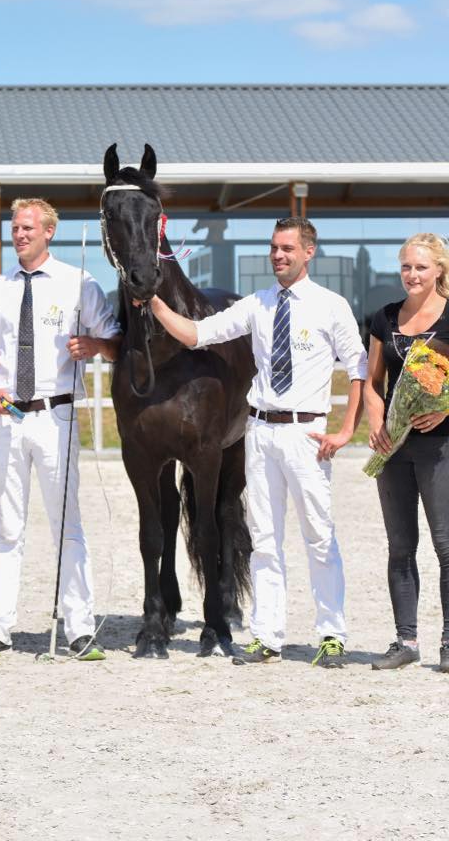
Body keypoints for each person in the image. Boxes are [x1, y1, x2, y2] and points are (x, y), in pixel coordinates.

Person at [146, 216, 367, 668]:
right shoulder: (257, 305)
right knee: (265, 540)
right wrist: (152, 300)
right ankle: (267, 636)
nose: (278, 255)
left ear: (309, 252)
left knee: (319, 537)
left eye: (287, 248)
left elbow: (360, 369)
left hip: (307, 434)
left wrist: (346, 430)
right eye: (273, 247)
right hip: (261, 432)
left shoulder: (331, 306)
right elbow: (196, 334)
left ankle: (331, 634)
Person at [0, 199, 121, 662]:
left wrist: (93, 344)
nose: (19, 234)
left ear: (49, 232)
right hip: (7, 418)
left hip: (57, 416)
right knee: (8, 527)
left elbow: (115, 344)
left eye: (28, 227)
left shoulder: (80, 283)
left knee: (67, 524)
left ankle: (78, 627)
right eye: (15, 228)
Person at [365, 233, 449, 672]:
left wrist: (445, 407)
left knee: (446, 545)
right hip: (393, 447)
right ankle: (406, 640)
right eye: (405, 267)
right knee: (400, 546)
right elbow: (372, 383)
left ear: (438, 269)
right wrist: (376, 423)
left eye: (420, 267)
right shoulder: (384, 318)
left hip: (441, 447)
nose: (412, 275)